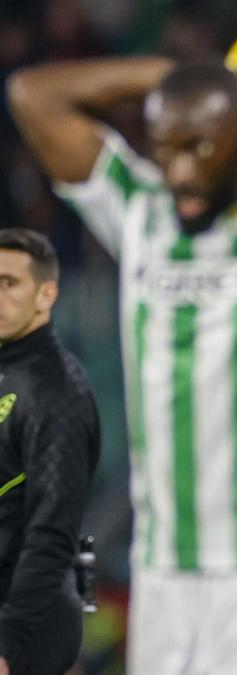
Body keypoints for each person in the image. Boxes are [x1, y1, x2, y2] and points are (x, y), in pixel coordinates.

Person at [7, 50, 237, 673]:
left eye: (200, 148)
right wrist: (174, 76)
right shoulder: (140, 211)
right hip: (166, 574)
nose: (179, 171)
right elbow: (31, 94)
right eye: (163, 147)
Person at [0, 228, 100, 674]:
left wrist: (8, 644)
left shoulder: (55, 391)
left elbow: (51, 534)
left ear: (46, 295)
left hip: (24, 636)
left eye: (9, 284)